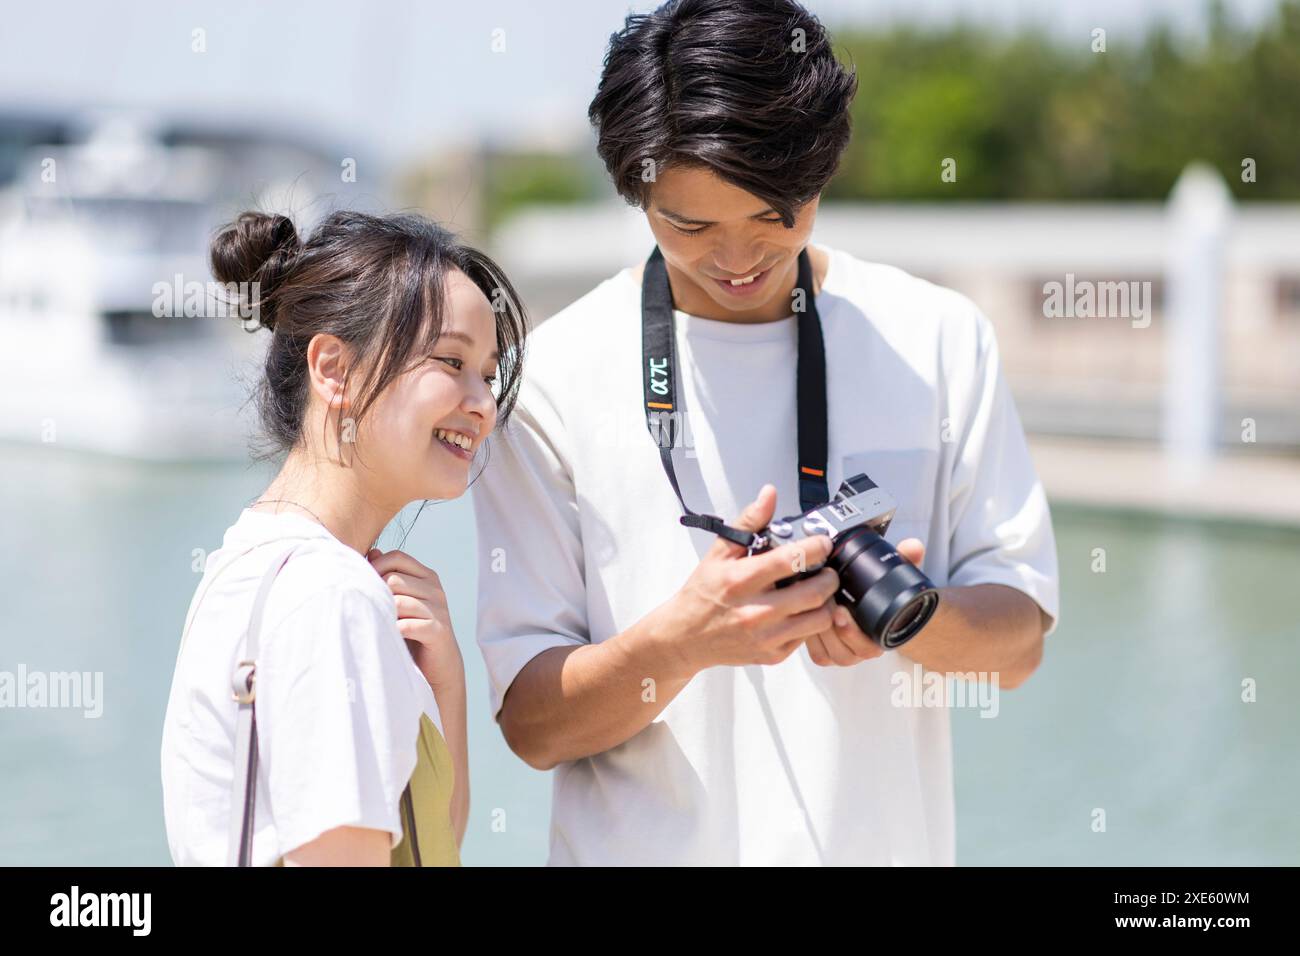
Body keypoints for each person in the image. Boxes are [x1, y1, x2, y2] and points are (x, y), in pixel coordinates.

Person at [471, 0, 1059, 865]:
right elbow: (532, 726)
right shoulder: (552, 379)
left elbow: (1017, 647)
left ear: (821, 174)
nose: (738, 258)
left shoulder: (935, 337)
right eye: (690, 226)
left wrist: (909, 618)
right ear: (634, 191)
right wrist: (682, 642)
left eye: (774, 215)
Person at [161, 210, 527, 866]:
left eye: (489, 374)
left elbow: (429, 844)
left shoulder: (250, 563)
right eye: (452, 361)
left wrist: (446, 686)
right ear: (334, 369)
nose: (482, 403)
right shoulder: (330, 596)